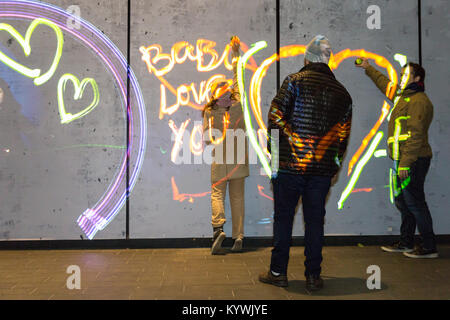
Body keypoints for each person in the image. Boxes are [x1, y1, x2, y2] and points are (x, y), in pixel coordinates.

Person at [259, 35, 353, 291]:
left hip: (289, 167)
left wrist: (276, 157)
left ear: (306, 58)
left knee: (283, 219)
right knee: (314, 222)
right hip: (321, 172)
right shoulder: (343, 94)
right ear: (327, 59)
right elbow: (342, 138)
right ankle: (313, 275)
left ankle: (278, 272)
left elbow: (275, 120)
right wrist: (332, 165)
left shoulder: (293, 82)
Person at [356, 58, 438, 258]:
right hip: (401, 160)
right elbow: (386, 84)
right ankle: (406, 242)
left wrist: (405, 163)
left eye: (405, 75)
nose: (401, 78)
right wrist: (368, 68)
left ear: (417, 78)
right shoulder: (404, 97)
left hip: (413, 160)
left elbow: (415, 136)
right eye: (401, 75)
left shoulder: (419, 101)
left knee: (415, 202)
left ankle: (428, 247)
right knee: (403, 202)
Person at [202, 36, 249, 255]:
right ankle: (238, 236)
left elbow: (206, 138)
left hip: (220, 160)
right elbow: (238, 77)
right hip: (239, 160)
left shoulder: (209, 112)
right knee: (237, 198)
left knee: (217, 195)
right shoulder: (238, 106)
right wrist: (236, 53)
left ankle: (218, 228)